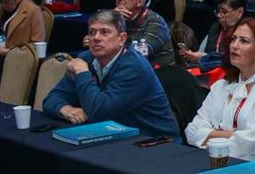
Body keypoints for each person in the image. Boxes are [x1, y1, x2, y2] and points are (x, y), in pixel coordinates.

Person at [43, 11, 180, 138]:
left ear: (121, 39)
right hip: (114, 135)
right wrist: (65, 109)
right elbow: (51, 99)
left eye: (104, 32)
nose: (96, 38)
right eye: (92, 32)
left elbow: (100, 113)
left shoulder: (134, 67)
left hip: (154, 141)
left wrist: (83, 73)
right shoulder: (86, 59)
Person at [184, 18, 255, 164]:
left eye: (244, 41)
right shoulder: (221, 85)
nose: (234, 46)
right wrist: (231, 135)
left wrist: (209, 135)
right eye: (233, 39)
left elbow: (248, 145)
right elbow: (191, 131)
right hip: (214, 160)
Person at [114, 0, 176, 67]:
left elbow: (138, 55)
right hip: (128, 69)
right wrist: (112, 20)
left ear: (139, 1)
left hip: (158, 75)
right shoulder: (117, 17)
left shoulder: (155, 22)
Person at [183, 0, 247, 64]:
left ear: (240, 12)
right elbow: (206, 53)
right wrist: (197, 58)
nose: (219, 15)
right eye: (218, 11)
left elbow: (254, 61)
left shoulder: (249, 33)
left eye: (224, 12)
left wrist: (205, 57)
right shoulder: (215, 28)